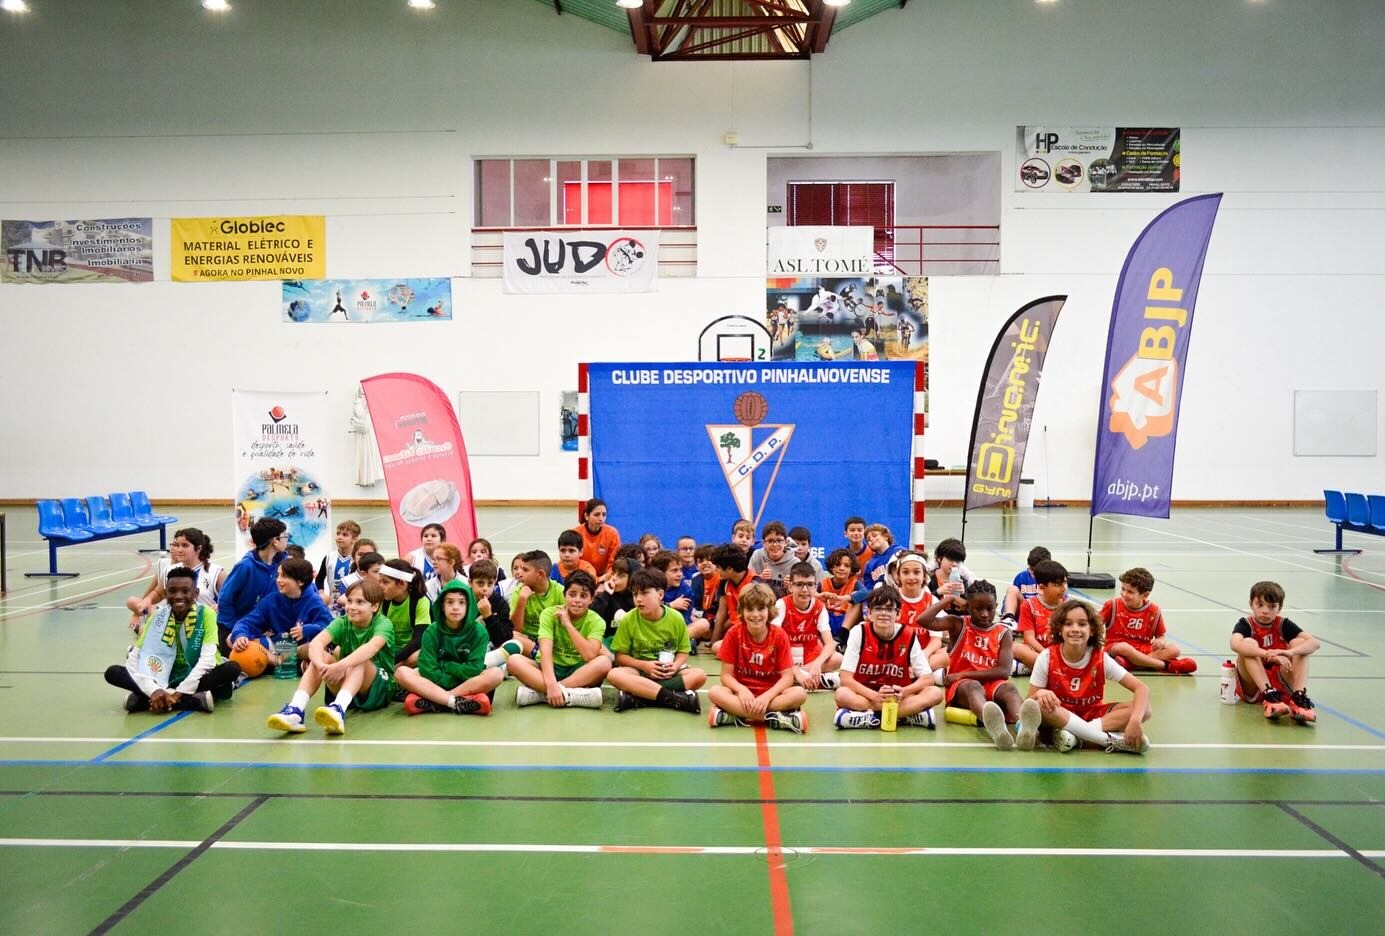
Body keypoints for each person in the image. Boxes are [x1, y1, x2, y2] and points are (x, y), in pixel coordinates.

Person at [267, 578, 396, 736]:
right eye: (349, 601)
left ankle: (339, 709)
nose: (352, 607)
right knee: (320, 656)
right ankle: (296, 710)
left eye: (360, 602)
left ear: (375, 606)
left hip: (380, 689)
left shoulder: (383, 624)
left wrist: (340, 666)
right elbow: (317, 643)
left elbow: (371, 648)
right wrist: (321, 666)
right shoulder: (342, 622)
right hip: (349, 684)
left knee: (359, 660)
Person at [922, 580, 1041, 750]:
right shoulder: (958, 624)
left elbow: (1003, 671)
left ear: (997, 606)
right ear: (968, 607)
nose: (985, 614)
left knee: (1010, 689)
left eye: (990, 608)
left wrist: (962, 674)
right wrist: (948, 600)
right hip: (962, 688)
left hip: (984, 682)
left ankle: (1024, 729)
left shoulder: (1003, 633)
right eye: (978, 609)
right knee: (973, 686)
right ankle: (995, 728)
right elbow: (923, 620)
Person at [105, 567, 238, 713]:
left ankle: (146, 700)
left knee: (232, 669)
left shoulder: (206, 614)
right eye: (172, 591)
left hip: (198, 675)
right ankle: (191, 700)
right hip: (164, 676)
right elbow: (135, 658)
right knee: (113, 672)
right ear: (166, 593)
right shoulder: (158, 616)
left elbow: (208, 660)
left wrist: (178, 693)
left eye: (185, 591)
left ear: (196, 594)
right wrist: (154, 690)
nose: (178, 596)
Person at [1027, 598, 1151, 754]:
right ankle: (1106, 740)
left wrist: (1135, 720)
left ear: (1092, 629)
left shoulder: (1100, 658)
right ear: (1059, 629)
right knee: (1039, 705)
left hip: (1092, 715)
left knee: (1144, 709)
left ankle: (1076, 736)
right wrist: (1040, 693)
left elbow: (1142, 688)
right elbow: (1029, 703)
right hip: (1059, 713)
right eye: (1068, 623)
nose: (1075, 629)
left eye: (1082, 624)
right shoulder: (1047, 657)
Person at [834, 585, 942, 729]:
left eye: (889, 609)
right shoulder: (859, 632)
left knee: (935, 693)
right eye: (878, 608)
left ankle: (871, 717)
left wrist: (904, 691)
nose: (884, 613)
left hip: (898, 696)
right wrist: (874, 696)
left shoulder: (908, 635)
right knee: (842, 694)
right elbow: (845, 679)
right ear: (869, 613)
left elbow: (927, 678)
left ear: (898, 614)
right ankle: (905, 716)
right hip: (867, 694)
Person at [709, 582, 808, 732]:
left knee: (799, 694)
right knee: (715, 692)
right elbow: (726, 676)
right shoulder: (734, 634)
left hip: (772, 695)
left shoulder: (779, 635)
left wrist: (766, 697)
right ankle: (774, 718)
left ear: (769, 611)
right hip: (742, 695)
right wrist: (742, 690)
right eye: (749, 609)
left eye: (761, 609)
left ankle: (736, 715)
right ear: (742, 611)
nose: (755, 615)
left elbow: (787, 678)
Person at [395, 580, 501, 716]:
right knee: (401, 672)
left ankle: (437, 701)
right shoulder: (431, 631)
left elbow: (473, 669)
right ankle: (456, 702)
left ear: (469, 606)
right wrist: (451, 673)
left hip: (465, 682)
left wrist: (445, 666)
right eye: (450, 602)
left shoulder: (479, 632)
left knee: (496, 674)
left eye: (461, 602)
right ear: (442, 606)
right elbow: (428, 668)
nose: (455, 607)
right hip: (435, 681)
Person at [608, 568, 707, 714]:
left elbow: (683, 651)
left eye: (644, 593)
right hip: (639, 672)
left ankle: (639, 697)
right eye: (635, 594)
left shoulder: (675, 618)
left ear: (660, 594)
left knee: (699, 676)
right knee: (614, 675)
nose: (639, 599)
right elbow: (620, 657)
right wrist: (644, 665)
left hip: (667, 672)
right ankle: (674, 699)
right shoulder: (629, 619)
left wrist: (675, 666)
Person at [507, 570, 611, 709]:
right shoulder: (549, 614)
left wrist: (568, 624)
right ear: (564, 595)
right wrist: (551, 684)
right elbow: (545, 651)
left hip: (577, 671)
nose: (577, 600)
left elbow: (589, 655)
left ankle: (542, 695)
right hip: (549, 668)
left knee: (604, 662)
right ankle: (571, 695)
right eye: (572, 594)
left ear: (591, 599)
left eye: (583, 596)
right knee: (513, 661)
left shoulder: (597, 621)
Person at [1230, 580, 1320, 723]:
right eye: (1260, 605)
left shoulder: (1283, 624)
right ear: (1251, 604)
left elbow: (1314, 643)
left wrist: (1290, 652)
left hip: (1280, 681)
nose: (1265, 610)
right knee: (1248, 644)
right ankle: (1269, 696)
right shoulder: (1246, 624)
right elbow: (1234, 644)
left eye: (1272, 606)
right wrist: (1267, 654)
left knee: (1300, 643)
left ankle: (1298, 697)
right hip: (1253, 684)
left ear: (1279, 608)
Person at [227, 557, 335, 673]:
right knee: (232, 638)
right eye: (278, 575)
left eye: (284, 576)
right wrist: (241, 636)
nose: (278, 580)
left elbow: (330, 630)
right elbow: (247, 622)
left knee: (312, 648)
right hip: (279, 645)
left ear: (300, 581)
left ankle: (280, 663)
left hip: (301, 648)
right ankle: (283, 663)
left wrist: (307, 630)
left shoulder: (314, 602)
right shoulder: (271, 600)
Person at [125, 527, 227, 630]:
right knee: (134, 602)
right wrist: (148, 600)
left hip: (204, 624)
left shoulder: (216, 572)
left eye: (185, 545)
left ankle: (141, 629)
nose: (179, 549)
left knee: (148, 628)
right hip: (175, 620)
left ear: (198, 548)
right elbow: (159, 593)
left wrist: (219, 606)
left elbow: (230, 600)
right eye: (177, 545)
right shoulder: (170, 570)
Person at [1101, 567, 1196, 674]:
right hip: (1116, 647)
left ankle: (1131, 664)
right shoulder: (1112, 605)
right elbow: (1095, 624)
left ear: (1145, 595)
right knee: (1123, 648)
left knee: (1175, 649)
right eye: (1123, 589)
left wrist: (1160, 642)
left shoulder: (1154, 611)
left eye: (1130, 592)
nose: (1124, 594)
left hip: (1144, 649)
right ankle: (1166, 665)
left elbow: (1161, 636)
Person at [217, 518, 289, 654]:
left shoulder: (283, 564)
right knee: (249, 663)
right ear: (275, 541)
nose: (287, 539)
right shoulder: (245, 566)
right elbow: (225, 600)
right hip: (235, 628)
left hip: (263, 629)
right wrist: (236, 629)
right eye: (285, 536)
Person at [773, 562, 842, 691]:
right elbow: (773, 642)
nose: (805, 590)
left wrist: (817, 664)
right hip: (785, 656)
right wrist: (797, 672)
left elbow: (830, 644)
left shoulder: (819, 607)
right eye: (799, 584)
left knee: (837, 658)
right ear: (791, 587)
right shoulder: (781, 604)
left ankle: (791, 679)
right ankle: (810, 679)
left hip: (809, 658)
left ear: (815, 587)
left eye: (810, 584)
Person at [1014, 559, 1068, 675]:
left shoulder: (1068, 607)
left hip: (1060, 654)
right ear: (1042, 587)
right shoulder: (1029, 605)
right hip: (1038, 652)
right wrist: (1045, 655)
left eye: (1064, 583)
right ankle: (1051, 669)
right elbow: (1029, 638)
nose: (1063, 588)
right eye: (1058, 585)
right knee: (1015, 648)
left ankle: (1032, 668)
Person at [509, 549, 567, 656]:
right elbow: (515, 628)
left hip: (551, 640)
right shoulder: (519, 591)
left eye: (525, 570)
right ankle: (540, 656)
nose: (520, 574)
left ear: (540, 574)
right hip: (528, 641)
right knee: (510, 636)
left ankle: (540, 657)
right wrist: (522, 600)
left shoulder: (559, 591)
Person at [379, 559, 431, 667]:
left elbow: (419, 639)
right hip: (389, 648)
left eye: (385, 582)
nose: (380, 586)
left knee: (418, 655)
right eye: (380, 581)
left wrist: (394, 660)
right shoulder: (383, 601)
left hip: (409, 651)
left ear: (402, 584)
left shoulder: (420, 601)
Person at [466, 558, 514, 652]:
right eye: (480, 583)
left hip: (491, 649)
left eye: (490, 584)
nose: (485, 588)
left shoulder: (500, 603)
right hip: (466, 648)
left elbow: (503, 639)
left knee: (513, 645)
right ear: (470, 583)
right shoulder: (462, 600)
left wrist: (488, 616)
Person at [710, 543, 753, 644]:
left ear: (729, 569)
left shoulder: (754, 584)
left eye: (718, 567)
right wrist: (713, 641)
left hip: (749, 631)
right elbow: (721, 612)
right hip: (733, 627)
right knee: (702, 626)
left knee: (718, 648)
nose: (716, 570)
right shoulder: (724, 581)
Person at [314, 519, 360, 605]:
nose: (339, 537)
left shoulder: (357, 559)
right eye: (338, 533)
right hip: (332, 606)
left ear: (354, 539)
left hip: (351, 606)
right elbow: (319, 579)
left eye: (345, 535)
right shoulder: (329, 557)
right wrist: (321, 593)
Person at [819, 548, 859, 645]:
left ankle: (842, 636)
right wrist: (820, 595)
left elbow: (866, 593)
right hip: (826, 620)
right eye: (838, 564)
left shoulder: (854, 583)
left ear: (851, 569)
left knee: (857, 598)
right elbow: (810, 595)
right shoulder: (823, 583)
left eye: (846, 566)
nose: (841, 568)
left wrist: (844, 598)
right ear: (831, 567)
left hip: (845, 621)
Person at [574, 498, 620, 580]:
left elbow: (614, 562)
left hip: (605, 578)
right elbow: (574, 561)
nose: (601, 518)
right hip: (581, 577)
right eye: (597, 514)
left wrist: (605, 578)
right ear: (586, 516)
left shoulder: (612, 533)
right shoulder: (576, 533)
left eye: (604, 515)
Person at [1002, 545, 1050, 619]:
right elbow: (1012, 598)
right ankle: (1009, 619)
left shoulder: (1051, 579)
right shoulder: (1021, 577)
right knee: (1012, 589)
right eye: (1031, 569)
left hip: (1043, 614)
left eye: (1037, 571)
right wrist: (1005, 611)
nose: (1033, 574)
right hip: (1025, 611)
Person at [592, 557, 637, 634]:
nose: (613, 578)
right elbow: (592, 617)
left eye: (620, 575)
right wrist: (605, 594)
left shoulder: (638, 600)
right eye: (613, 573)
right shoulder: (605, 596)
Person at [748, 520, 796, 591]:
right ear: (763, 543)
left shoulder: (795, 563)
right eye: (770, 541)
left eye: (779, 541)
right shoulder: (757, 555)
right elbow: (746, 584)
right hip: (761, 600)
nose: (775, 545)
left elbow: (800, 593)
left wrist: (790, 587)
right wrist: (759, 578)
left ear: (785, 542)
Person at [652, 550, 694, 624]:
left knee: (703, 624)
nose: (680, 574)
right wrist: (671, 605)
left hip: (677, 628)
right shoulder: (651, 588)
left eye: (681, 570)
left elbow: (684, 620)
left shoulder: (685, 590)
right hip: (654, 626)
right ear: (660, 573)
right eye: (674, 570)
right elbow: (650, 611)